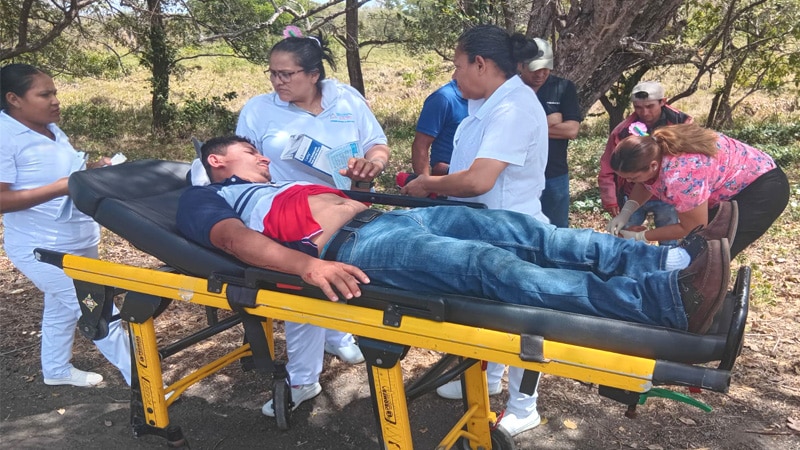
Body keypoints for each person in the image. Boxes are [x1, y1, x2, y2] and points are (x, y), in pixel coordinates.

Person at [177, 136, 734, 428]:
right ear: (217, 159)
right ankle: (667, 305)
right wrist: (308, 267)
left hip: (390, 217)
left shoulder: (274, 185)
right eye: (250, 153)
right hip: (358, 248)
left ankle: (668, 264)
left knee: (527, 232)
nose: (263, 159)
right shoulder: (205, 198)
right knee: (494, 270)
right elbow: (231, 241)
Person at [234, 31, 390, 417]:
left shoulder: (346, 99)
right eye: (272, 74)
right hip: (293, 216)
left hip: (351, 206)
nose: (277, 82)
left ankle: (336, 334)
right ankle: (303, 379)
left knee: (347, 277)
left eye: (286, 74)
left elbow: (377, 143)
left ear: (314, 74)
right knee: (303, 288)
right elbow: (240, 161)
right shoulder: (259, 110)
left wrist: (374, 163)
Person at [401, 26, 547, 435]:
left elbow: (479, 180)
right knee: (492, 309)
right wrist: (444, 178)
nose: (455, 75)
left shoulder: (513, 108)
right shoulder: (487, 104)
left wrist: (427, 182)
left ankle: (524, 405)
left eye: (457, 65)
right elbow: (473, 169)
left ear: (480, 64)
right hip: (482, 225)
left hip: (509, 228)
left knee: (522, 318)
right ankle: (491, 376)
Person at [0, 64, 132, 387]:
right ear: (14, 99)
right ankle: (149, 385)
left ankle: (56, 370)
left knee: (62, 304)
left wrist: (91, 171)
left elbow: (59, 174)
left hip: (78, 238)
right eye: (45, 94)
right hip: (42, 247)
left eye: (55, 92)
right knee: (100, 312)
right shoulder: (5, 137)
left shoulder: (50, 129)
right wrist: (63, 185)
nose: (55, 100)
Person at [608, 122, 789, 259]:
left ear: (653, 166)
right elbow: (645, 183)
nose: (629, 182)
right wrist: (626, 211)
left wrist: (642, 236)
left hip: (761, 189)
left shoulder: (680, 177)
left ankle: (703, 304)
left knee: (709, 256)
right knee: (694, 250)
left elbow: (692, 227)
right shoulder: (652, 150)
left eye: (632, 178)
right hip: (731, 184)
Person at [598, 81, 692, 245]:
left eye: (650, 106)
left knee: (669, 240)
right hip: (633, 192)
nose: (644, 112)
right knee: (626, 240)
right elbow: (608, 167)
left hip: (667, 194)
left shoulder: (682, 124)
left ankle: (667, 266)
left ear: (663, 101)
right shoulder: (622, 131)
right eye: (638, 107)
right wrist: (611, 199)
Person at [517, 37, 583, 228]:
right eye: (535, 68)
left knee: (557, 230)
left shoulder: (563, 87)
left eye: (546, 68)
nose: (541, 73)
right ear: (521, 65)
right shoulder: (512, 89)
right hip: (520, 175)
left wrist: (526, 128)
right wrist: (552, 121)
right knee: (523, 228)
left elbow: (571, 130)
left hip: (554, 174)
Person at [411, 80, 468, 176]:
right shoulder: (443, 98)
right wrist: (425, 185)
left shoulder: (486, 98)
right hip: (447, 178)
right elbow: (420, 145)